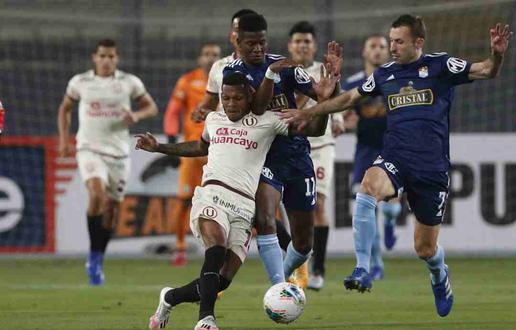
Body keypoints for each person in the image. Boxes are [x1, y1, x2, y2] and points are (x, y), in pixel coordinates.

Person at [281, 15, 512, 317]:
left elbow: (487, 71)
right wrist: (307, 114)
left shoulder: (441, 66)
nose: (392, 47)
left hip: (431, 168)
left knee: (425, 250)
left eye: (399, 41)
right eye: (391, 40)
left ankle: (439, 274)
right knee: (367, 187)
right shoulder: (385, 74)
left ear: (418, 42)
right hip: (395, 157)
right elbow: (349, 99)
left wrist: (496, 54)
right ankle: (363, 267)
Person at [140, 72, 326, 330]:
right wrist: (160, 147)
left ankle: (169, 297)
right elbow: (199, 147)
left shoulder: (269, 121)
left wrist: (324, 103)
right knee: (215, 248)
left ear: (251, 96)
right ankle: (206, 319)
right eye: (225, 98)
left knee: (222, 280)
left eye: (237, 98)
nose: (230, 103)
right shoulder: (214, 119)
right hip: (212, 194)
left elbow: (316, 129)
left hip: (244, 206)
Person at [223, 13, 341, 287]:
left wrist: (330, 89)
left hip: (297, 154)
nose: (258, 49)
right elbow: (257, 108)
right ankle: (277, 285)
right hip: (261, 156)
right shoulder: (233, 74)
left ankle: (286, 277)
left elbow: (326, 103)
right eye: (251, 44)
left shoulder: (285, 68)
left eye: (262, 43)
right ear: (237, 42)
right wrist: (269, 74)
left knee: (303, 244)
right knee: (264, 217)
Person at [57, 39, 158, 285]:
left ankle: (98, 257)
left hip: (119, 153)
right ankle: (92, 256)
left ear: (117, 59)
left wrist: (136, 114)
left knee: (111, 210)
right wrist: (63, 139)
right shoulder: (80, 82)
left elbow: (151, 107)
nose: (106, 60)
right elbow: (65, 109)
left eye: (111, 56)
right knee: (96, 193)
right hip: (89, 148)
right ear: (94, 57)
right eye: (102, 55)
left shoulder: (129, 82)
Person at [287, 21, 345, 290]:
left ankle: (318, 268)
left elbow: (336, 97)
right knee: (290, 209)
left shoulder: (322, 71)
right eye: (297, 41)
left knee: (318, 205)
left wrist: (339, 117)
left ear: (314, 46)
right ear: (290, 45)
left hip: (321, 145)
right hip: (291, 146)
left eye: (307, 41)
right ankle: (297, 264)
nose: (302, 45)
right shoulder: (283, 72)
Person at [341, 34, 401, 281]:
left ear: (388, 53)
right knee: (365, 208)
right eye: (372, 47)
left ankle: (390, 222)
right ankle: (375, 264)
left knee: (390, 211)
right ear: (365, 53)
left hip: (393, 150)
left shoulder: (398, 79)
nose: (377, 51)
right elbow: (342, 113)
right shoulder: (353, 83)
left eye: (382, 47)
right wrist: (345, 122)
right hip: (365, 151)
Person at [163, 42, 221, 266]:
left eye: (214, 54)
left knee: (219, 201)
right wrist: (170, 138)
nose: (210, 58)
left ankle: (218, 249)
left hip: (218, 150)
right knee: (184, 200)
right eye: (206, 54)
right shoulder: (187, 81)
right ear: (200, 59)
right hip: (192, 150)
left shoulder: (227, 80)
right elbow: (172, 111)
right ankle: (179, 248)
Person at [194, 9, 258, 118]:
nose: (241, 35)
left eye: (247, 29)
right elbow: (211, 102)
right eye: (237, 30)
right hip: (228, 133)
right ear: (231, 35)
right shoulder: (219, 66)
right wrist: (200, 111)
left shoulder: (271, 67)